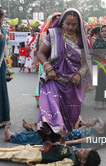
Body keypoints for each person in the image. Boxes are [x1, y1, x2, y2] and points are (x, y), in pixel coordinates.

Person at [37, 8, 91, 149]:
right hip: (54, 80)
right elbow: (41, 53)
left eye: (74, 25)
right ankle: (47, 140)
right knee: (49, 111)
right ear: (61, 23)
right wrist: (48, 68)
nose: (70, 27)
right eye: (67, 24)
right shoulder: (54, 35)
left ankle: (62, 142)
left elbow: (87, 62)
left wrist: (80, 73)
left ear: (79, 25)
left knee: (70, 115)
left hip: (72, 83)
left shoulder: (83, 40)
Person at [0, 141, 101, 166]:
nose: (83, 150)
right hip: (41, 148)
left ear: (83, 161)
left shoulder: (72, 161)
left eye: (85, 152)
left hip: (39, 156)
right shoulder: (75, 151)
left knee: (15, 155)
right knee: (17, 148)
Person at [5, 119, 106, 149]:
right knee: (40, 134)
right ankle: (14, 135)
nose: (97, 123)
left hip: (63, 137)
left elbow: (76, 141)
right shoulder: (92, 131)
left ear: (101, 131)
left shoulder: (92, 138)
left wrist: (61, 144)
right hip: (64, 133)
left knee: (38, 138)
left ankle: (12, 137)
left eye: (100, 124)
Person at [35, 13, 62, 107]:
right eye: (54, 19)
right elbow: (40, 50)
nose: (56, 21)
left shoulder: (64, 33)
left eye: (59, 19)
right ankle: (43, 101)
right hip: (45, 61)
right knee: (44, 80)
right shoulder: (44, 33)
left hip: (59, 62)